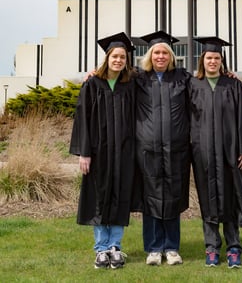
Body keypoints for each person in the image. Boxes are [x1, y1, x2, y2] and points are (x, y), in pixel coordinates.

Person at [189, 36, 242, 269]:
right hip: (203, 154)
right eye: (209, 57)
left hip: (231, 154)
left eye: (217, 58)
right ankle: (211, 247)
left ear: (222, 61)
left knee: (231, 198)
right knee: (207, 199)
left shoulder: (233, 85)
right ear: (202, 59)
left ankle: (233, 247)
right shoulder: (192, 85)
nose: (213, 61)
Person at [69, 32, 136, 270]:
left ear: (127, 60)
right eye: (115, 56)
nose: (118, 60)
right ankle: (101, 249)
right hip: (98, 153)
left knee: (120, 196)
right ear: (107, 58)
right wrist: (84, 153)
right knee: (99, 198)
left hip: (124, 152)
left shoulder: (131, 84)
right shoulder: (92, 84)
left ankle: (115, 247)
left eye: (122, 57)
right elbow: (83, 120)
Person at [133, 30, 191, 266]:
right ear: (149, 55)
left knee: (173, 198)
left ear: (171, 56)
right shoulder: (138, 79)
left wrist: (228, 74)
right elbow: (110, 78)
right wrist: (94, 73)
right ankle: (154, 248)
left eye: (164, 52)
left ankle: (172, 248)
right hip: (148, 149)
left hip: (176, 149)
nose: (160, 56)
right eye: (156, 52)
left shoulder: (183, 79)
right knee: (151, 198)